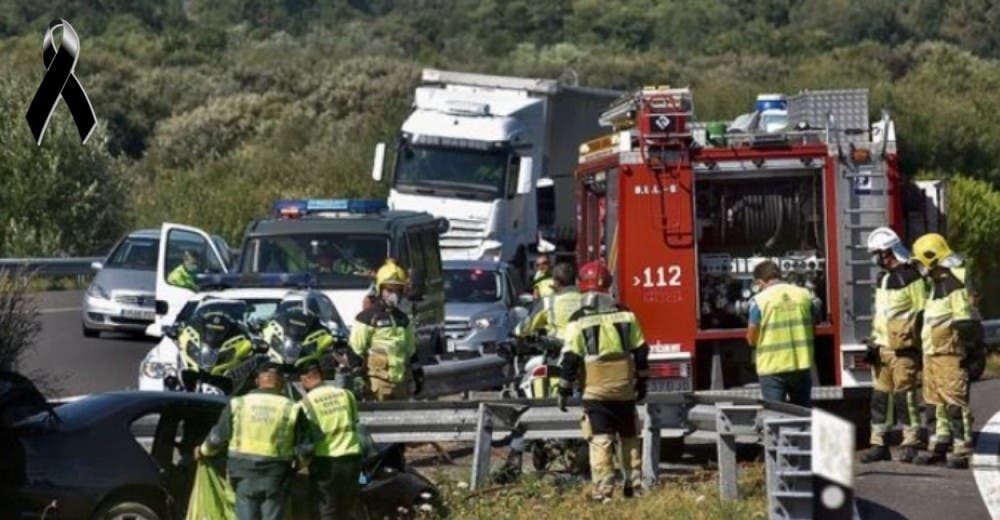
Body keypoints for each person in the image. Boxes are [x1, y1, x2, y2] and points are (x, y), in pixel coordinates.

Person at [558, 261, 649, 502]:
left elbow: (570, 358)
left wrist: (563, 390)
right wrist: (642, 381)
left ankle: (604, 490)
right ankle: (635, 485)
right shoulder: (626, 315)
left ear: (581, 287)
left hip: (595, 391)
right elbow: (641, 350)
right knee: (629, 437)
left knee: (600, 440)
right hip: (624, 389)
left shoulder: (578, 320)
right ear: (609, 285)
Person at [196, 362, 305, 520]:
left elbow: (217, 438)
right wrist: (296, 466)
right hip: (276, 476)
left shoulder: (238, 404)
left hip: (243, 474)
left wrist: (203, 451)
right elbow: (306, 449)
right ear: (281, 382)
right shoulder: (292, 407)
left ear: (257, 381)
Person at [860, 227, 927, 464]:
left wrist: (919, 346)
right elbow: (881, 315)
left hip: (903, 350)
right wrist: (874, 342)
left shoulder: (911, 277)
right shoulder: (883, 279)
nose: (875, 259)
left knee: (904, 398)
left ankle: (911, 442)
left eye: (877, 253)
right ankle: (879, 444)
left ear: (887, 252)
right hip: (882, 349)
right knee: (880, 399)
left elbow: (921, 312)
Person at [911, 233, 977, 469]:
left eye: (920, 261)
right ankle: (939, 442)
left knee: (954, 403)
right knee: (933, 402)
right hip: (931, 356)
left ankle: (961, 448)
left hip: (949, 356)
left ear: (931, 259)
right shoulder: (933, 288)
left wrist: (970, 354)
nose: (919, 267)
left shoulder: (953, 287)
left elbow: (965, 323)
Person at [745, 260, 818, 407]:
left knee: (775, 416)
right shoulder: (804, 295)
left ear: (760, 282)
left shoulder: (760, 301)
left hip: (772, 369)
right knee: (803, 413)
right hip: (800, 365)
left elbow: (752, 338)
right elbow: (813, 327)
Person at [297, 361, 364, 520]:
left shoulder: (305, 404)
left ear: (305, 379)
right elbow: (354, 422)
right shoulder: (347, 395)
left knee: (327, 510)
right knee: (349, 508)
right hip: (352, 458)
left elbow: (307, 440)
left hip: (325, 462)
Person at [349, 259, 422, 401]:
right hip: (377, 382)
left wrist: (418, 372)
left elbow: (411, 350)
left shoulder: (402, 319)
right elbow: (355, 350)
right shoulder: (367, 318)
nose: (393, 294)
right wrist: (357, 377)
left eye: (397, 290)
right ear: (380, 289)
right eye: (389, 290)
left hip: (400, 382)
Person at [515, 262, 583, 340]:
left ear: (556, 282)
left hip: (558, 346)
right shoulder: (586, 299)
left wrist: (516, 332)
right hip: (584, 346)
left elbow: (526, 327)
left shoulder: (548, 302)